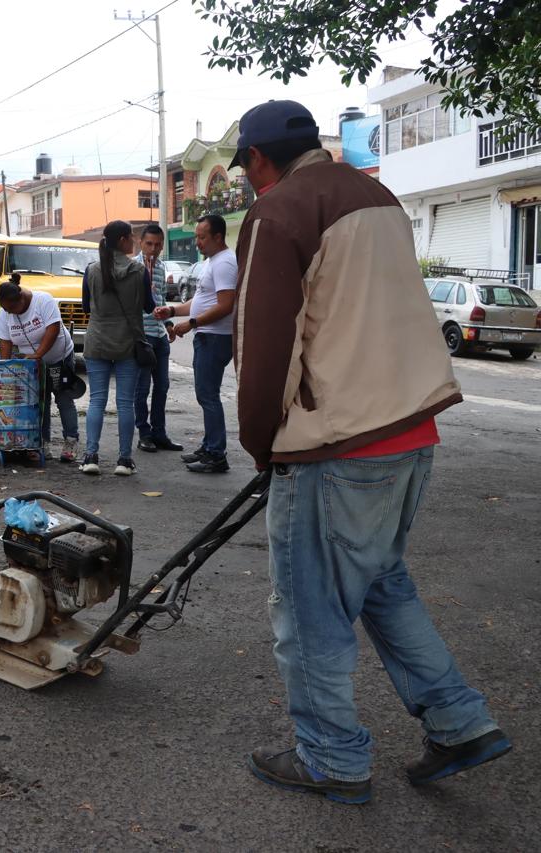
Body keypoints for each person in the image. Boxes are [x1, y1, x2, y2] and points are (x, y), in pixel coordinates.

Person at [231, 99, 510, 804]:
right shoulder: (378, 197)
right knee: (383, 584)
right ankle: (458, 719)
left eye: (246, 168)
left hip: (338, 445)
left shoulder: (278, 211)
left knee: (310, 607)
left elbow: (263, 345)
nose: (247, 180)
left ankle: (330, 755)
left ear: (259, 160)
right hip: (410, 432)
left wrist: (261, 443)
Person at [153, 213, 236, 473]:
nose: (197, 242)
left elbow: (226, 305)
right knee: (205, 394)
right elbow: (202, 300)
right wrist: (173, 311)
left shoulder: (224, 263)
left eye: (202, 237)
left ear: (218, 237)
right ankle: (208, 445)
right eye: (197, 237)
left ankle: (216, 454)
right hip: (207, 335)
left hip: (215, 337)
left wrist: (193, 323)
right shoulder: (213, 262)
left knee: (208, 395)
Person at [79, 220, 146, 477]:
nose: (134, 241)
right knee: (125, 403)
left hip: (97, 341)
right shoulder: (139, 271)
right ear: (121, 240)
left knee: (97, 400)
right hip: (128, 342)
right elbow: (148, 305)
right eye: (131, 237)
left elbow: (87, 307)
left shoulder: (92, 270)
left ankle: (91, 456)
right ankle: (124, 460)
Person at [0, 273, 79, 462]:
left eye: (12, 308)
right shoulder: (6, 311)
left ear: (22, 299)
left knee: (63, 399)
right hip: (32, 365)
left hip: (59, 359)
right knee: (40, 403)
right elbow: (5, 341)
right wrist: (4, 368)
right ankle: (42, 444)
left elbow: (53, 329)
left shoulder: (43, 301)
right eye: (5, 309)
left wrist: (38, 354)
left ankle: (71, 442)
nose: (9, 313)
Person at [132, 224, 183, 454]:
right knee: (142, 388)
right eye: (149, 244)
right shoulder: (133, 267)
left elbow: (161, 299)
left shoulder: (162, 267)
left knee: (162, 386)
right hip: (142, 336)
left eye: (158, 245)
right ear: (140, 243)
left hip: (160, 335)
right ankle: (144, 434)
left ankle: (159, 433)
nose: (153, 249)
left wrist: (169, 323)